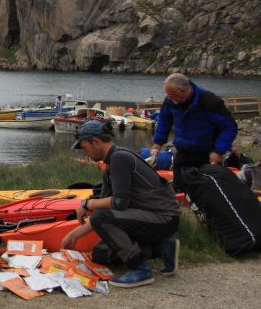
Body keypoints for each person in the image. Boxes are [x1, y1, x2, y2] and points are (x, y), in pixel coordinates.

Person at [61, 121, 181, 288]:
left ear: (96, 141)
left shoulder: (120, 158)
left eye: (84, 147)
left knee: (103, 217)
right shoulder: (111, 165)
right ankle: (162, 248)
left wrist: (87, 203)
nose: (85, 152)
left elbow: (118, 203)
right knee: (100, 255)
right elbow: (100, 212)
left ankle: (140, 270)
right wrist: (73, 235)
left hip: (163, 218)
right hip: (148, 218)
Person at [150, 73, 237, 190]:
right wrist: (157, 144)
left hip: (207, 154)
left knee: (207, 190)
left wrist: (218, 151)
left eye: (171, 94)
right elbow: (164, 122)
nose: (168, 97)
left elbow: (229, 127)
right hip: (183, 152)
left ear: (182, 91)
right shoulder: (170, 101)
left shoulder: (208, 101)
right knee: (178, 188)